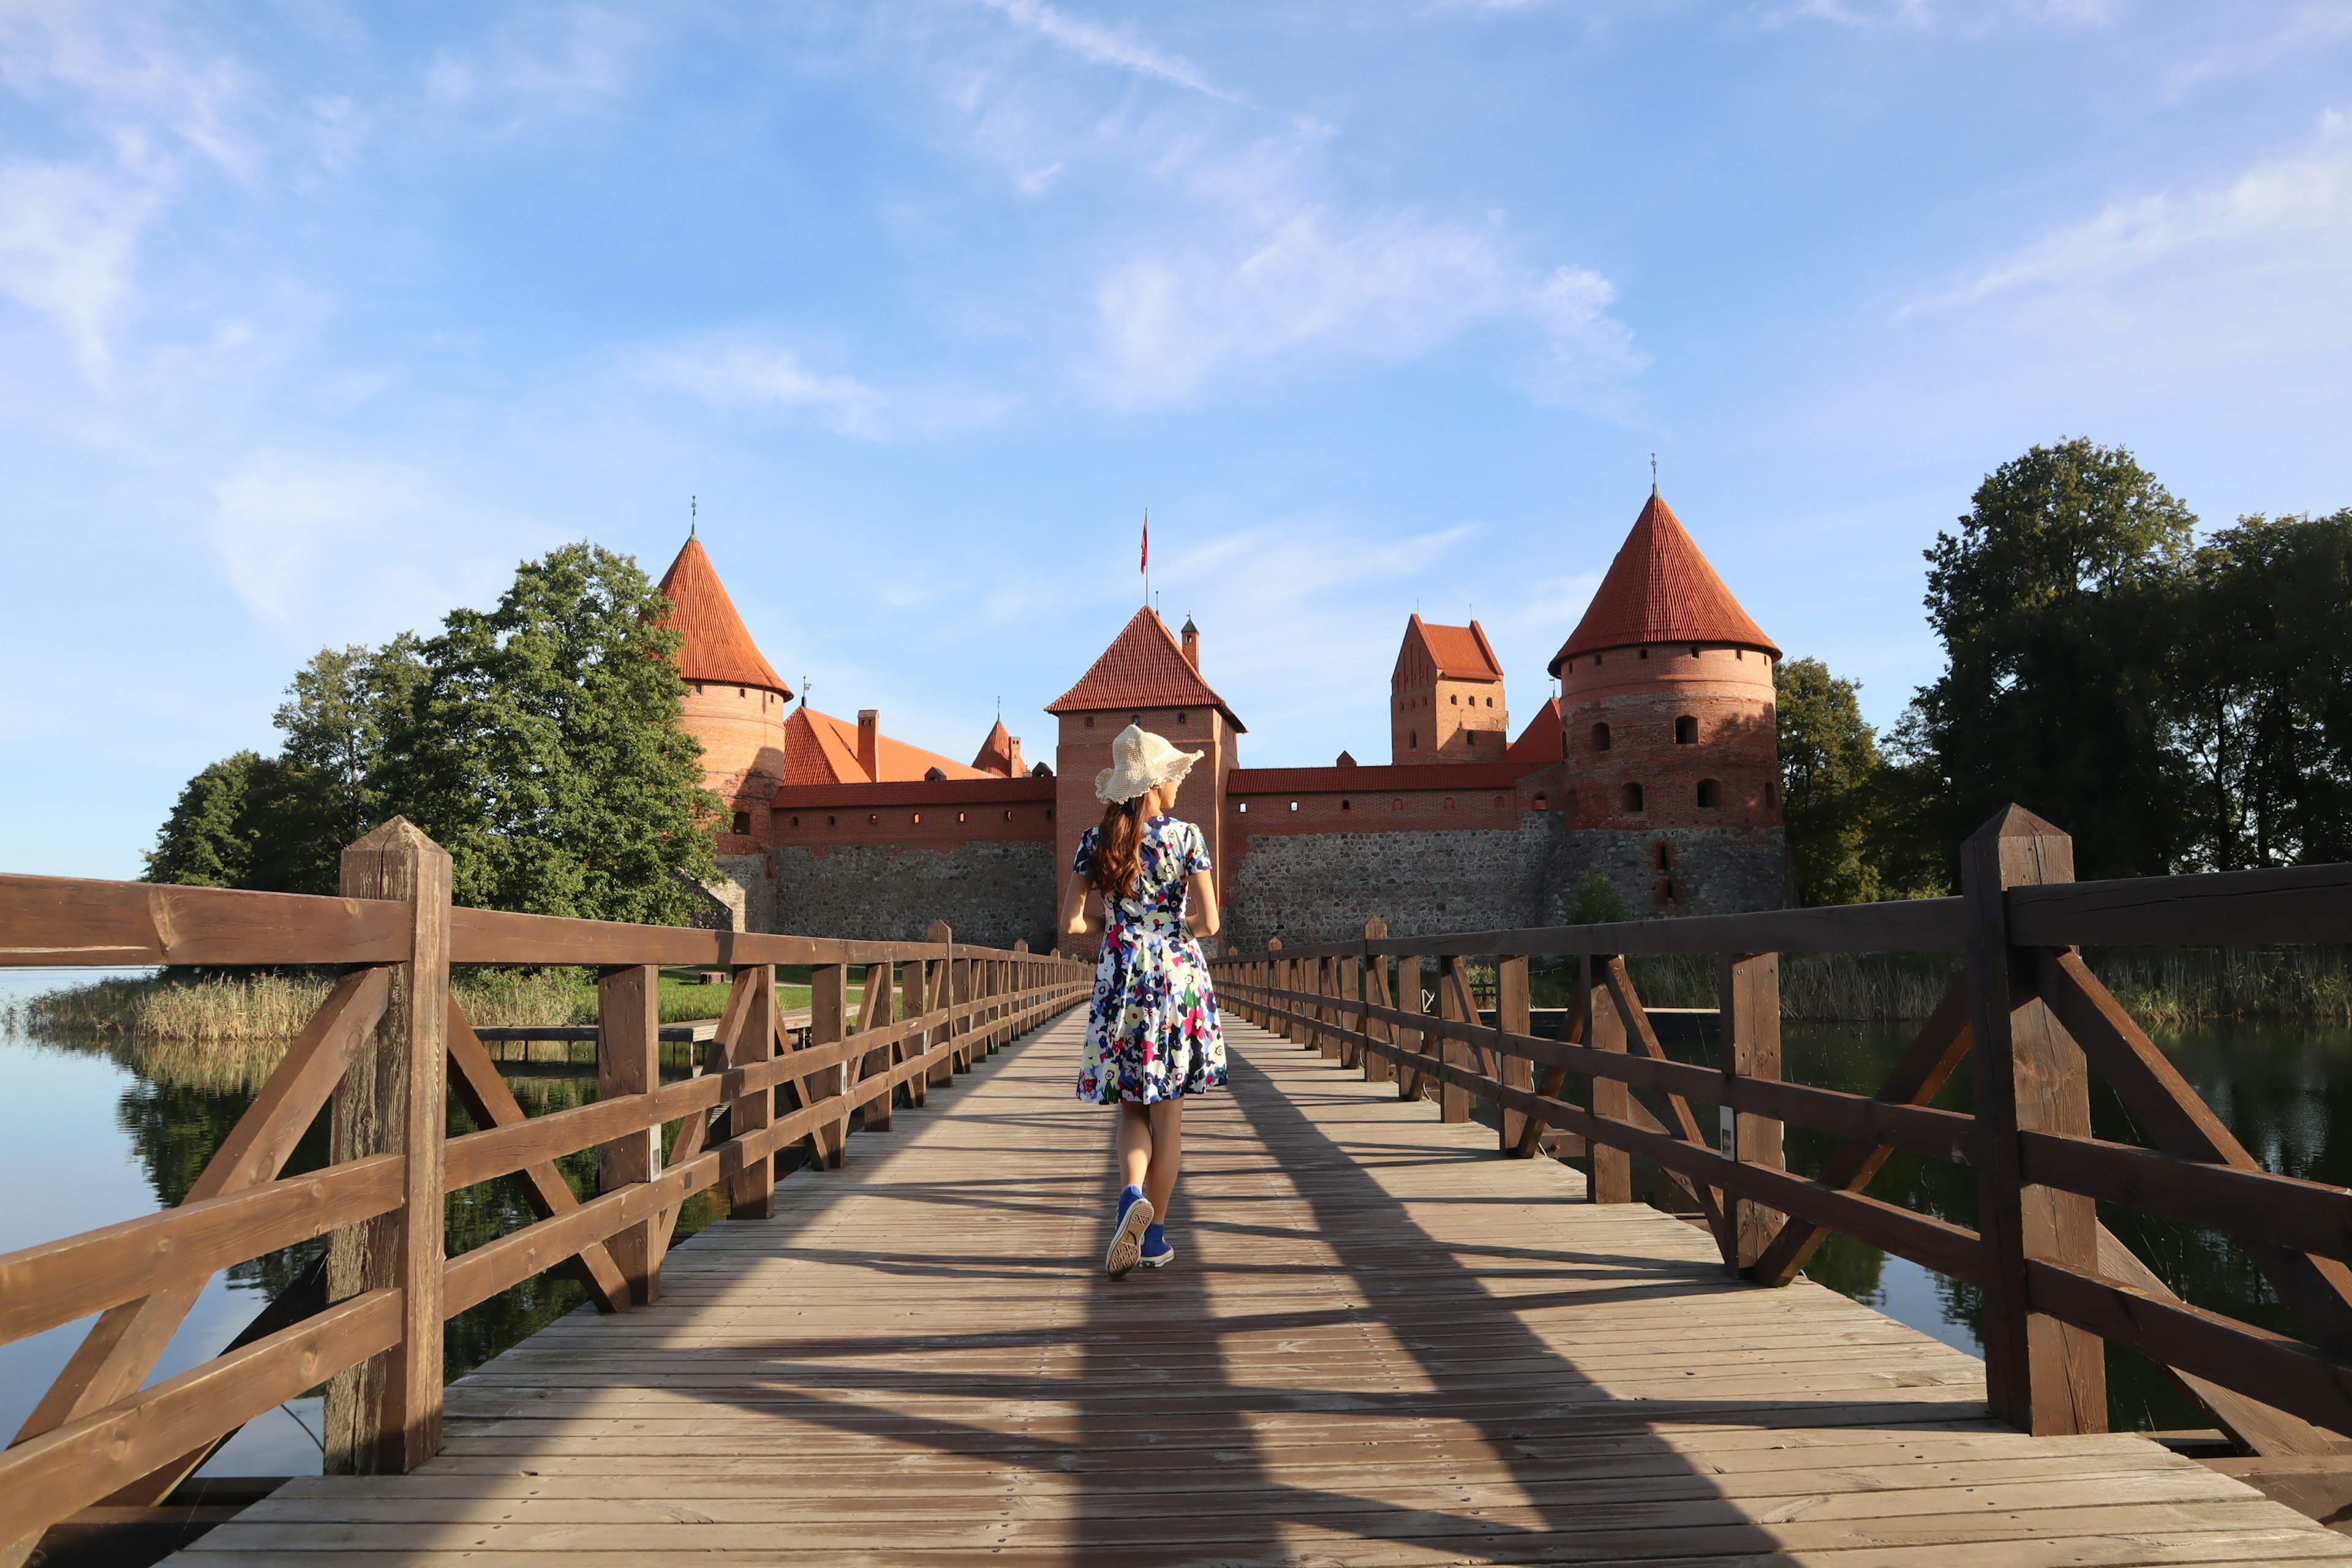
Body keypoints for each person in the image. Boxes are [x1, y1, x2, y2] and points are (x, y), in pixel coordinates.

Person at [1058, 723, 1225, 1279]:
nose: (1178, 785)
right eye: (1172, 776)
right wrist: (1175, 928)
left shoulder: (1095, 841)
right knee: (1169, 1117)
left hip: (1121, 979)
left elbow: (1072, 922)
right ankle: (1153, 1237)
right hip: (1176, 978)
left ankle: (1132, 1193)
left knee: (1132, 1106)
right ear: (1153, 784)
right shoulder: (1188, 838)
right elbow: (1211, 921)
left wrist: (1114, 925)